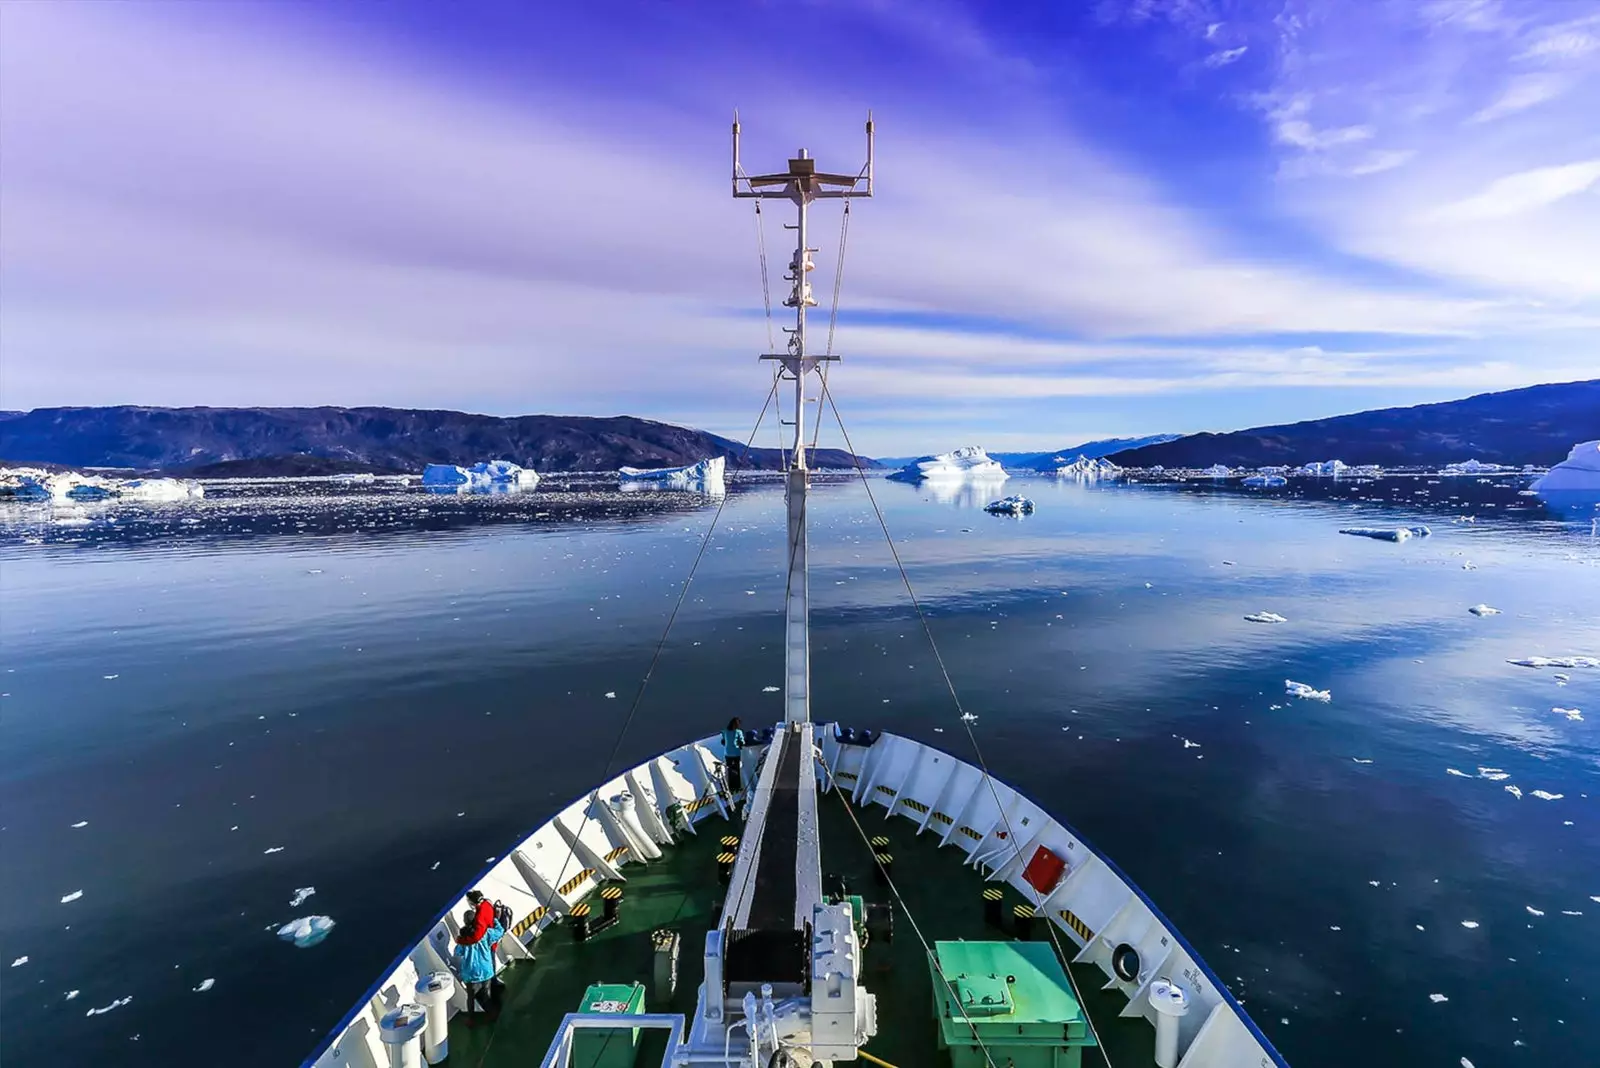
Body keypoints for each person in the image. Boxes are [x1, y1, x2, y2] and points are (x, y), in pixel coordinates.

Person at [453, 905, 504, 1024]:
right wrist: (494, 919)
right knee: (486, 993)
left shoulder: (464, 938)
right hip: (486, 969)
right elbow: (500, 931)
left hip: (470, 973)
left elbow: (457, 952)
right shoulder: (485, 933)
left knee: (471, 997)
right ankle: (492, 1014)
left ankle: (471, 1020)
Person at [720, 716, 746, 796]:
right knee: (736, 769)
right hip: (736, 753)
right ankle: (737, 787)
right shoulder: (738, 732)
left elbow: (723, 741)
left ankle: (731, 788)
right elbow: (742, 742)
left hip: (728, 753)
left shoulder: (725, 731)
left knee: (730, 769)